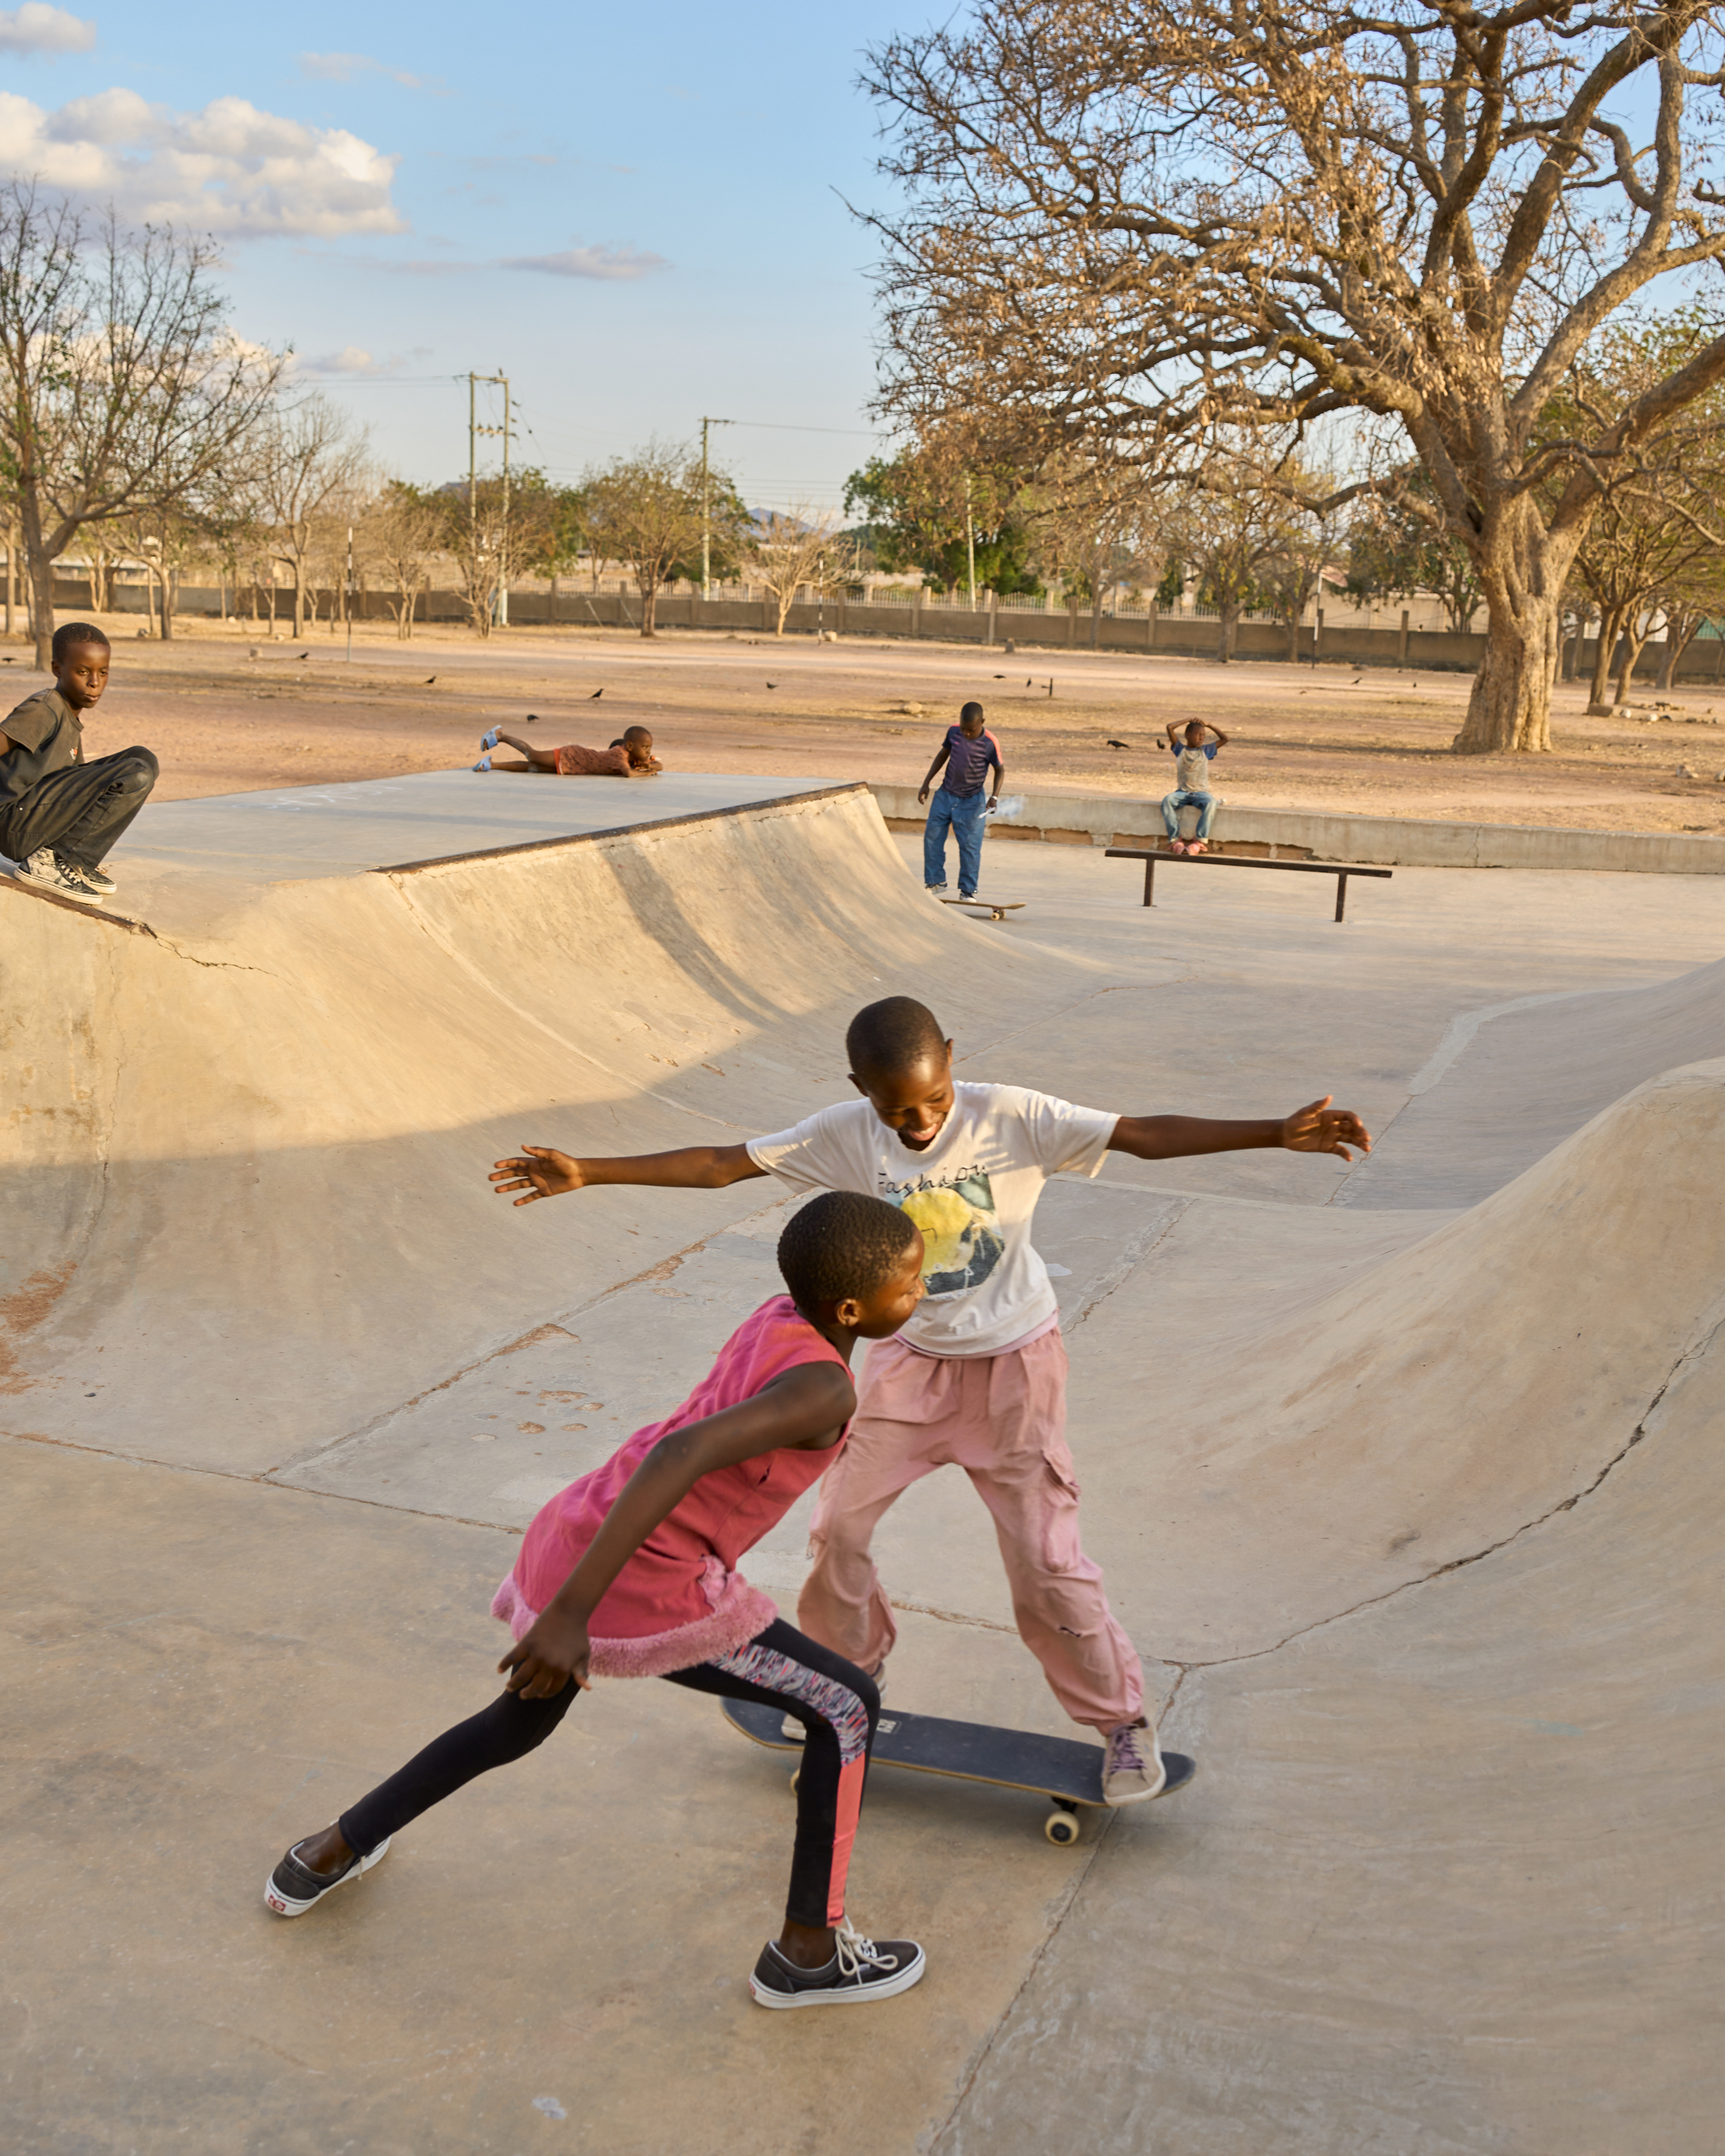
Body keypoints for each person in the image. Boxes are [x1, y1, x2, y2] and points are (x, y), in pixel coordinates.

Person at [488, 996, 1371, 1807]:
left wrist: (1273, 1132)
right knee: (838, 1530)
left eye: (932, 1098)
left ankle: (1119, 1722)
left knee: (1044, 1559)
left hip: (1016, 1374)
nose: (918, 1122)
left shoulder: (1014, 1115)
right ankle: (843, 1681)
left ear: (952, 1060)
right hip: (906, 1371)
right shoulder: (847, 1132)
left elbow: (1139, 1133)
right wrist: (590, 1170)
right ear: (859, 1091)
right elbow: (727, 1163)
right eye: (895, 1108)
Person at [264, 1190, 930, 2011]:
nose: (922, 1291)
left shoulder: (778, 1315)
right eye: (912, 1281)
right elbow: (683, 1451)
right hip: (630, 1583)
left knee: (514, 1722)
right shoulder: (826, 1392)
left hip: (577, 1530)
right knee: (847, 1703)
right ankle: (808, 1953)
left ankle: (327, 1851)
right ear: (854, 1308)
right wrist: (569, 1620)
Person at [0, 623, 157, 906]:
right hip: (14, 823)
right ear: (57, 669)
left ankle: (76, 859)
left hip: (34, 814)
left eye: (103, 673)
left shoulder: (68, 713)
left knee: (143, 759)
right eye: (83, 672)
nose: (95, 682)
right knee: (136, 772)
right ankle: (48, 861)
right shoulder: (44, 708)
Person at [917, 701, 1001, 901]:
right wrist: (926, 783)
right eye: (964, 729)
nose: (966, 734)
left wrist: (994, 797)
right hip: (945, 795)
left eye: (971, 730)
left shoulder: (990, 742)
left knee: (970, 846)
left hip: (972, 800)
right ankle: (935, 882)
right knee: (932, 837)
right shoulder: (954, 732)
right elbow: (942, 756)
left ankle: (968, 890)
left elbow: (1000, 770)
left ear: (982, 722)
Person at [474, 723, 661, 776]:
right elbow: (629, 774)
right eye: (645, 747)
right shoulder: (620, 755)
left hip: (574, 769)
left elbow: (659, 765)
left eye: (649, 748)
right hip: (572, 756)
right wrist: (646, 773)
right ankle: (501, 736)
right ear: (629, 746)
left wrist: (650, 767)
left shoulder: (637, 758)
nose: (648, 752)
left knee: (532, 768)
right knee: (532, 755)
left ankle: (493, 765)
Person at [1162, 718, 1228, 855]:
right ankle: (1175, 839)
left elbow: (1225, 738)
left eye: (1203, 735)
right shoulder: (1180, 750)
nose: (1202, 738)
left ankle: (1199, 840)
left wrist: (1209, 724)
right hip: (1182, 793)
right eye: (1199, 735)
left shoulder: (1206, 751)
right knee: (1167, 801)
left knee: (1211, 803)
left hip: (1200, 793)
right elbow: (1170, 727)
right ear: (1188, 736)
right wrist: (1187, 720)